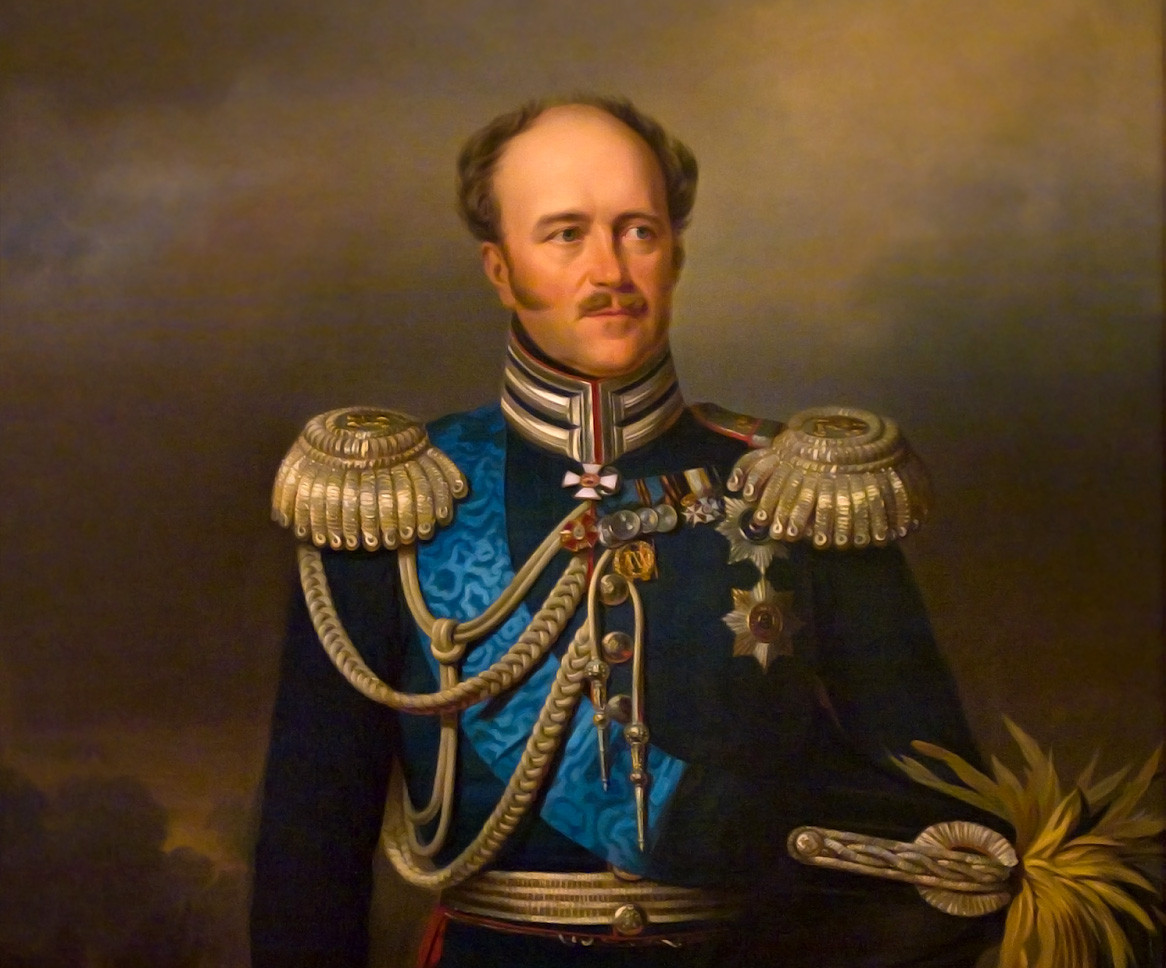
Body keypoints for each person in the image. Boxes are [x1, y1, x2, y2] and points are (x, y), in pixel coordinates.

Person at [251, 96, 1005, 968]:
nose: (609, 269)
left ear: (676, 253)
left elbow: (947, 839)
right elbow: (311, 856)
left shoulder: (801, 491)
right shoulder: (396, 498)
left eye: (638, 231)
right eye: (566, 234)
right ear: (500, 268)